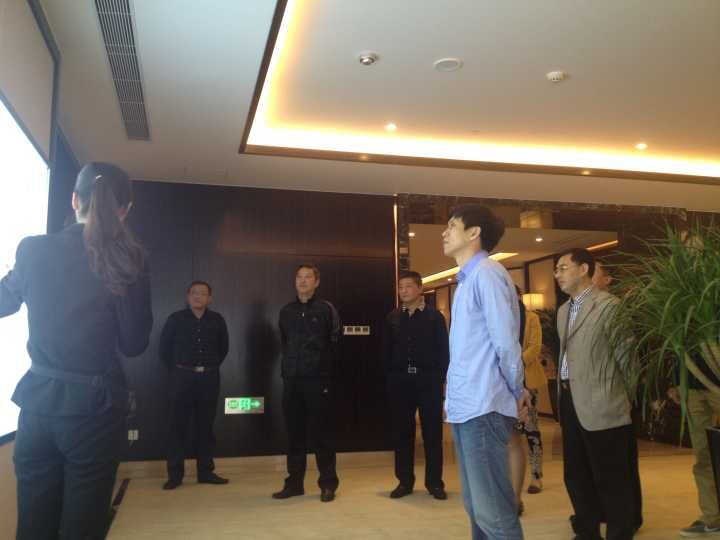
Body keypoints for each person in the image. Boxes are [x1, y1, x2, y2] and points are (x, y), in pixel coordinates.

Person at [0, 162, 152, 539]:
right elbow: (134, 344)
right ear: (125, 210)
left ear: (74, 200)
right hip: (94, 411)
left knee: (33, 527)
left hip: (37, 409)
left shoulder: (32, 249)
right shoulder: (129, 258)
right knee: (83, 528)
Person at [441, 204, 530, 539]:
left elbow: (506, 342)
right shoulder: (467, 280)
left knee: (493, 511)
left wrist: (517, 389)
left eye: (452, 226)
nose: (444, 232)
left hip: (484, 405)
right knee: (477, 508)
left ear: (474, 233)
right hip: (468, 406)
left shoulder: (487, 274)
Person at [554, 248, 638, 540]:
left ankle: (619, 533)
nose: (557, 274)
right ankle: (587, 532)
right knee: (576, 472)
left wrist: (623, 398)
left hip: (604, 401)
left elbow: (627, 357)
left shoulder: (608, 306)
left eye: (563, 268)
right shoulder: (563, 311)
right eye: (556, 269)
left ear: (584, 269)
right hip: (570, 399)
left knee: (611, 476)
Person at [272, 264, 341, 502]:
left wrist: (326, 375)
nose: (302, 281)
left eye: (308, 277)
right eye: (299, 277)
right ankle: (294, 484)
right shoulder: (286, 311)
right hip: (292, 380)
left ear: (316, 282)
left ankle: (328, 484)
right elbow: (284, 343)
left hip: (317, 381)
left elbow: (335, 343)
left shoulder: (326, 309)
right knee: (294, 435)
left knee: (322, 435)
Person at [382, 270, 449, 500]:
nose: (404, 291)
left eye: (409, 286)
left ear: (420, 288)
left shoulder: (434, 317)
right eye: (401, 287)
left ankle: (434, 483)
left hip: (428, 381)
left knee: (432, 434)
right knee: (402, 434)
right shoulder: (392, 318)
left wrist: (441, 380)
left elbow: (444, 351)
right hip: (400, 382)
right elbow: (385, 352)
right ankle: (404, 482)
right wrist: (390, 378)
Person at [160, 281, 230, 489]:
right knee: (177, 425)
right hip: (182, 377)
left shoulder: (217, 320)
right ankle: (175, 475)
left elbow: (223, 348)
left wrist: (208, 367)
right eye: (194, 293)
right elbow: (164, 350)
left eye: (203, 293)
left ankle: (206, 472)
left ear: (210, 298)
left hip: (209, 377)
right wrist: (179, 371)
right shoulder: (175, 319)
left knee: (205, 426)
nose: (198, 296)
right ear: (188, 296)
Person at [669, 357, 720, 537]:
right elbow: (677, 344)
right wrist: (676, 381)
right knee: (704, 456)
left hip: (716, 380)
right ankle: (712, 518)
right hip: (691, 385)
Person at [509, 285, 545, 513]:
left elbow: (535, 347)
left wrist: (514, 362)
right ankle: (512, 479)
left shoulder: (532, 318)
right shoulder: (501, 318)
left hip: (528, 380)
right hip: (505, 384)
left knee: (531, 429)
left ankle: (536, 475)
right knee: (511, 433)